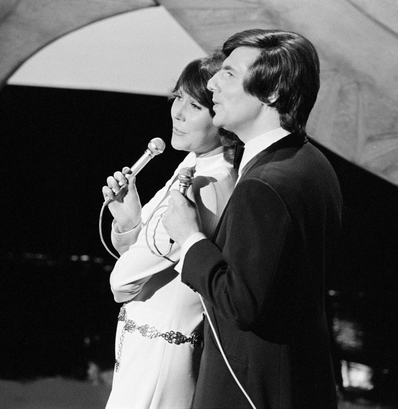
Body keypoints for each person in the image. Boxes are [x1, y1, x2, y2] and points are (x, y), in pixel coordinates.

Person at [162, 29, 343, 408]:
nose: (212, 83)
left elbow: (241, 305)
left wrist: (190, 237)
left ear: (273, 91)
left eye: (228, 73)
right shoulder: (310, 162)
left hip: (250, 392)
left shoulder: (263, 185)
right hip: (297, 385)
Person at [102, 56, 239, 409]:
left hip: (160, 353)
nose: (177, 113)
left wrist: (132, 254)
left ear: (223, 115)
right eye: (177, 97)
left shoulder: (208, 181)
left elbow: (123, 281)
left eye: (194, 105)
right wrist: (130, 221)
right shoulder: (194, 163)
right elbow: (146, 257)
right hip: (147, 341)